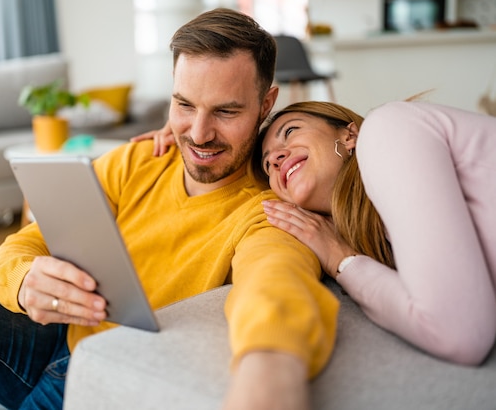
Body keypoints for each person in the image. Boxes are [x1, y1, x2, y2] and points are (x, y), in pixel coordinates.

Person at [0, 9, 339, 410]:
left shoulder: (266, 210)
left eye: (226, 111)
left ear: (266, 104)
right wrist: (22, 282)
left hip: (103, 376)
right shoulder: (142, 158)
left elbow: (275, 285)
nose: (198, 133)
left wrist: (270, 371)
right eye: (184, 104)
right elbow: (30, 238)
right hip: (55, 333)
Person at [141, 99, 496, 366]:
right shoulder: (376, 229)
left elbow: (460, 335)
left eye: (291, 131)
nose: (277, 158)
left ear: (350, 133)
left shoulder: (388, 130)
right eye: (268, 165)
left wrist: (341, 259)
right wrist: (189, 141)